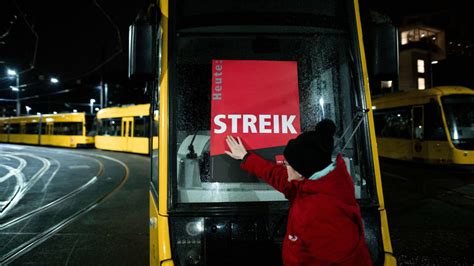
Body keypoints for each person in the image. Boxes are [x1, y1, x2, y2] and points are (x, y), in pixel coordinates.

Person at [225, 119, 372, 266]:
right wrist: (246, 157)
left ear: (302, 172)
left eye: (287, 164)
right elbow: (280, 177)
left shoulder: (324, 213)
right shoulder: (323, 183)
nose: (284, 169)